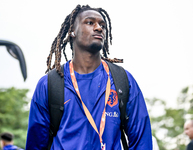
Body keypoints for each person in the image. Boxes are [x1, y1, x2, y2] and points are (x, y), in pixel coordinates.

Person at [26, 4, 152, 150]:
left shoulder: (123, 80)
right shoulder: (50, 84)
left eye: (102, 25)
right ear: (72, 31)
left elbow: (142, 140)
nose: (99, 28)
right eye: (90, 22)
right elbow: (36, 144)